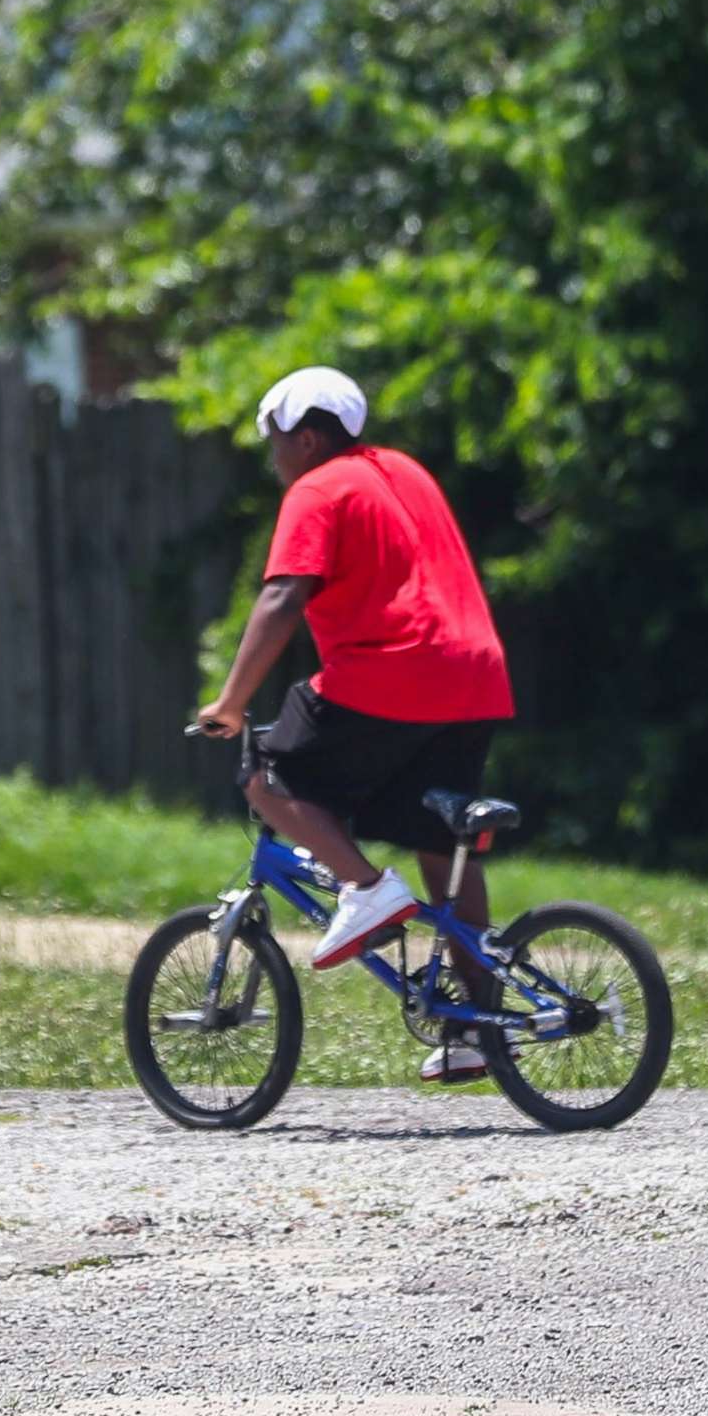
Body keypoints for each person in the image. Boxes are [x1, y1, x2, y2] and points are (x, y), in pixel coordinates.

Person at [194, 366, 514, 1085]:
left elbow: (281, 596)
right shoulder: (404, 471)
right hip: (476, 674)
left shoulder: (318, 487)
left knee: (266, 773)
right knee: (443, 841)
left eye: (276, 442)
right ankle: (478, 1026)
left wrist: (232, 702)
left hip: (392, 671)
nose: (274, 459)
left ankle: (365, 887)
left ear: (306, 438)